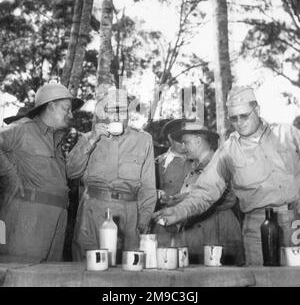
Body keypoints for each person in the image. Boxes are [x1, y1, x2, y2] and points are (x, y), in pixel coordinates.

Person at [154, 86, 300, 265]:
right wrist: (178, 211)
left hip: (295, 220)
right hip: (257, 225)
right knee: (262, 280)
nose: (239, 122)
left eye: (244, 115)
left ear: (257, 110)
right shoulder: (228, 152)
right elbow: (205, 191)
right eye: (233, 118)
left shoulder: (288, 134)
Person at [67, 87, 156, 262]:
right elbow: (71, 172)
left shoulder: (143, 140)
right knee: (87, 268)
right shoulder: (88, 138)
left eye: (121, 110)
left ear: (129, 112)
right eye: (110, 110)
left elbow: (148, 187)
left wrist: (142, 223)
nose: (115, 116)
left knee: (127, 272)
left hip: (129, 214)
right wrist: (92, 139)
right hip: (92, 211)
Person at [0, 83, 83, 261]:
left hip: (57, 220)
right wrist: (9, 175)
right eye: (66, 109)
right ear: (51, 106)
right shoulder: (23, 128)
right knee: (23, 277)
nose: (71, 115)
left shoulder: (57, 139)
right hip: (27, 220)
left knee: (50, 279)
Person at [163, 121, 244, 265]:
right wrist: (174, 201)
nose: (183, 147)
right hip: (198, 235)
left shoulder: (220, 163)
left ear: (198, 141)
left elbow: (228, 198)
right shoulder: (195, 167)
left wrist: (181, 200)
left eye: (186, 142)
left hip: (219, 233)